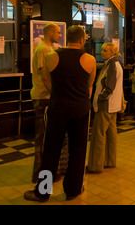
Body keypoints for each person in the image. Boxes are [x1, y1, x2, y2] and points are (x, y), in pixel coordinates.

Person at [24, 25, 96, 202]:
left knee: (51, 151)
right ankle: (73, 189)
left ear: (67, 38)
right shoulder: (90, 59)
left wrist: (60, 94)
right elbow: (89, 87)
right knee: (78, 151)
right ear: (81, 40)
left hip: (57, 109)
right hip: (80, 110)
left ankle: (43, 192)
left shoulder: (51, 56)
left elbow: (48, 82)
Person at [30, 23, 66, 184]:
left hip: (46, 96)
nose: (60, 35)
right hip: (43, 97)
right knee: (43, 138)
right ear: (50, 33)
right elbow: (45, 76)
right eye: (58, 32)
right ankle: (41, 175)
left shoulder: (47, 48)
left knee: (49, 137)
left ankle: (49, 171)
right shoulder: (44, 49)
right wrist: (54, 94)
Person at [87, 43, 123, 174]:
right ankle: (109, 161)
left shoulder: (112, 66)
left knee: (98, 135)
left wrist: (100, 98)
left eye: (104, 50)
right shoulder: (114, 64)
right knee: (111, 135)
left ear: (112, 52)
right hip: (113, 106)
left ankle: (95, 165)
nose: (101, 52)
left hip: (106, 106)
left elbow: (109, 87)